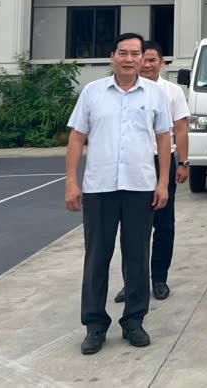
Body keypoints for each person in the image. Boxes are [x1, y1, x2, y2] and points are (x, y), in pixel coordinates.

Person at [64, 33, 172, 355]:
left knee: (138, 259)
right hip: (99, 189)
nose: (128, 59)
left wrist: (163, 182)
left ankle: (134, 322)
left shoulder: (154, 94)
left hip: (140, 187)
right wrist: (72, 182)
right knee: (96, 258)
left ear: (143, 59)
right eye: (122, 53)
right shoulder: (93, 93)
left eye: (135, 54)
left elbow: (164, 139)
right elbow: (76, 138)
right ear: (112, 57)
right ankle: (95, 326)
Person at [114, 40, 189, 304]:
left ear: (162, 63)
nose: (146, 64)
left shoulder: (171, 92)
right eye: (142, 59)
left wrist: (184, 162)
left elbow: (180, 129)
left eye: (152, 60)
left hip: (162, 162)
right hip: (135, 163)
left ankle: (159, 279)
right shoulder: (125, 91)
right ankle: (132, 282)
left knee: (164, 224)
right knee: (132, 227)